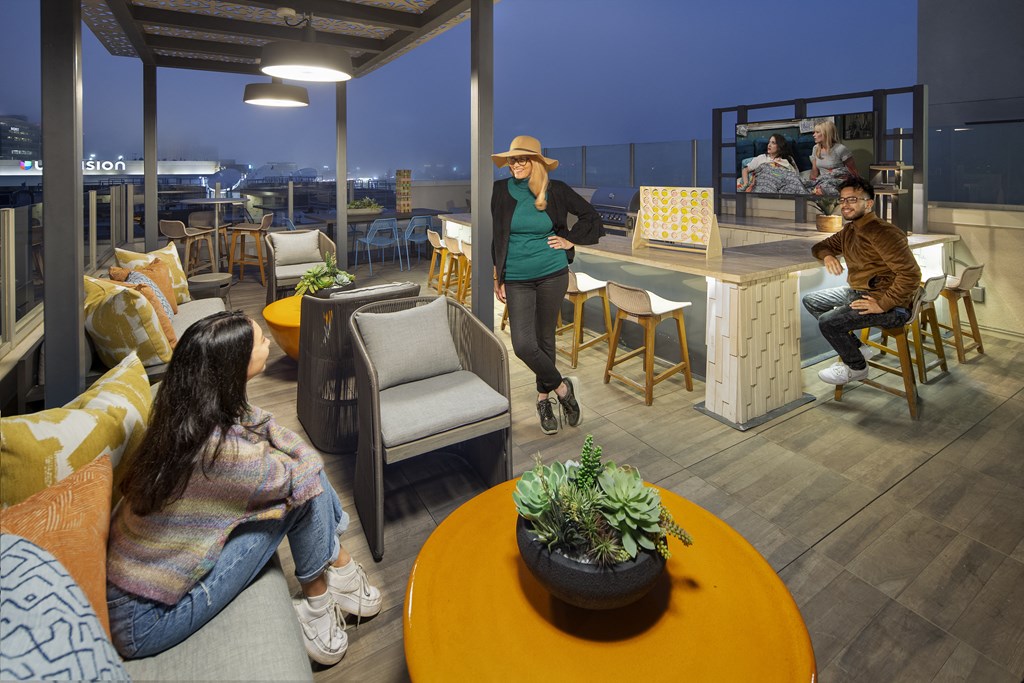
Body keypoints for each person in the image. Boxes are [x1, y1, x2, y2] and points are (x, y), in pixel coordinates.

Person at [106, 311, 381, 666]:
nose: (267, 342)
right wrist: (295, 458)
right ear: (235, 366)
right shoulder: (221, 456)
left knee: (301, 479)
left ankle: (342, 573)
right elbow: (307, 471)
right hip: (146, 620)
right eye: (260, 341)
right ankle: (321, 604)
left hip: (137, 588)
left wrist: (287, 450)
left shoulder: (184, 415)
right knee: (304, 494)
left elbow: (261, 423)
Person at [490, 135, 603, 435]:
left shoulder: (556, 190)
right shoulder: (500, 190)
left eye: (521, 159)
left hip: (552, 273)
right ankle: (563, 389)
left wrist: (570, 240)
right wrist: (497, 276)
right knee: (523, 345)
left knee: (545, 339)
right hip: (517, 277)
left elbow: (591, 217)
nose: (515, 164)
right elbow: (497, 236)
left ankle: (543, 399)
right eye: (512, 159)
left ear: (536, 162)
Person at [802, 177, 921, 385]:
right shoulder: (850, 230)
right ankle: (857, 348)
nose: (845, 205)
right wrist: (828, 256)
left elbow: (910, 274)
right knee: (812, 300)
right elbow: (820, 247)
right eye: (842, 200)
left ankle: (857, 367)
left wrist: (882, 304)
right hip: (861, 293)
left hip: (893, 307)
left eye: (852, 200)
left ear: (868, 203)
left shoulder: (883, 232)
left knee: (828, 322)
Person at [737, 134, 806, 194]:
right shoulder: (762, 158)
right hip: (767, 183)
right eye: (769, 142)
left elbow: (794, 175)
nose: (769, 145)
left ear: (780, 146)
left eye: (773, 143)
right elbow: (745, 170)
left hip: (784, 182)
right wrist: (746, 184)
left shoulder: (788, 159)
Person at [806, 120, 859, 195]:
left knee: (823, 187)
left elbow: (853, 171)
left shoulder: (840, 149)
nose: (814, 135)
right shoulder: (816, 148)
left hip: (838, 183)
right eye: (814, 132)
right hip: (822, 182)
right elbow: (814, 171)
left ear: (826, 133)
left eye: (817, 132)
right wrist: (810, 185)